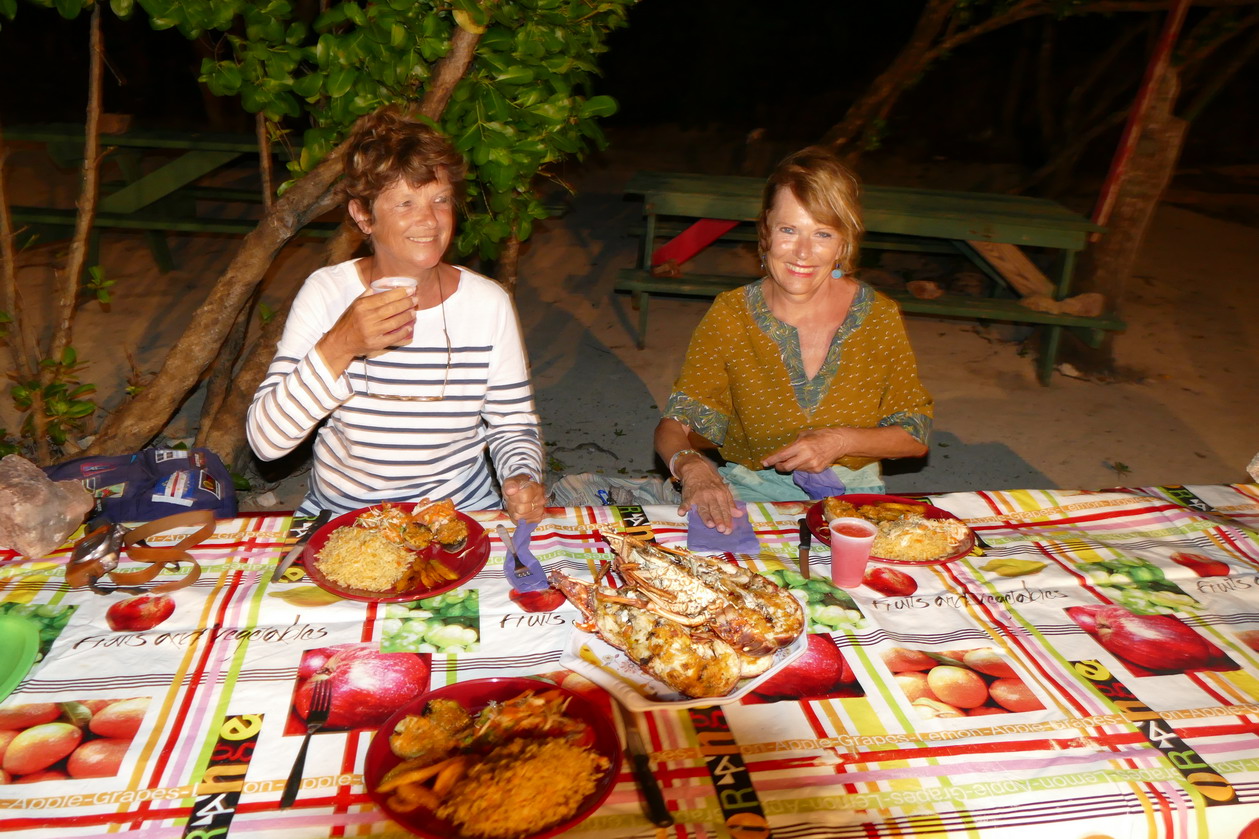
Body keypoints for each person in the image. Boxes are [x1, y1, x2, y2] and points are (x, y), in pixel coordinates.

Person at [247, 109, 546, 521]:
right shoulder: (328, 292)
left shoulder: (486, 303)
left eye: (440, 200)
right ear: (362, 215)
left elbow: (512, 422)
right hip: (345, 517)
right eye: (405, 203)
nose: (429, 220)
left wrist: (522, 474)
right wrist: (342, 342)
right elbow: (266, 442)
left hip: (459, 514)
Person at [655, 146, 932, 533]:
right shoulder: (733, 314)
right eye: (789, 230)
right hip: (751, 490)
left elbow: (914, 434)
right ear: (766, 229)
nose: (803, 252)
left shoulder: (877, 316)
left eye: (822, 233)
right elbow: (676, 425)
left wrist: (838, 441)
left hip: (854, 499)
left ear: (843, 242)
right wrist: (692, 467)